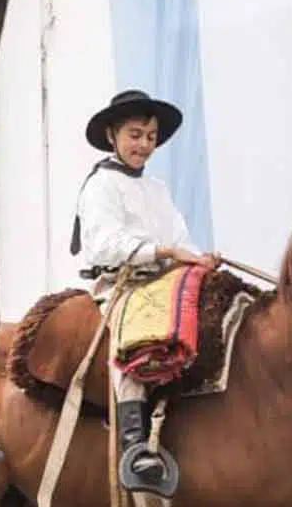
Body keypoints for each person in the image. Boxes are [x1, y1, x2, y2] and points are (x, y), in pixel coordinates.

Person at [70, 88, 217, 497]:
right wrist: (164, 251)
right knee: (136, 339)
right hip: (120, 285)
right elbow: (105, 245)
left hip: (163, 280)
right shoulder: (100, 185)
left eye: (151, 137)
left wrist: (198, 259)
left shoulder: (158, 188)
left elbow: (179, 237)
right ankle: (134, 448)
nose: (144, 145)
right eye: (135, 135)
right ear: (112, 134)